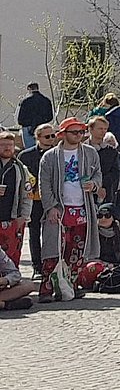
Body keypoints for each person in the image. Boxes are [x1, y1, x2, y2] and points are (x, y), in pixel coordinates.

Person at [37, 118, 103, 299]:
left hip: (82, 208)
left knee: (76, 251)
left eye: (81, 132)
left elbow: (98, 173)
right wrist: (50, 207)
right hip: (60, 209)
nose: (79, 136)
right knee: (53, 250)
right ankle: (47, 289)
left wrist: (94, 185)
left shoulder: (90, 153)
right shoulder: (50, 156)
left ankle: (72, 285)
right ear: (63, 134)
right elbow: (45, 184)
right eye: (74, 132)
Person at [19, 125, 54, 271]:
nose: (51, 139)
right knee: (34, 233)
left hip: (53, 199)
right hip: (34, 199)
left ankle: (51, 264)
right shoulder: (26, 156)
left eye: (53, 136)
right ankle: (37, 266)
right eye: (47, 136)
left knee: (52, 233)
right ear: (37, 137)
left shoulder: (58, 154)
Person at [0, 132, 31, 268]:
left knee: (12, 256)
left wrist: (23, 217)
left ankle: (11, 285)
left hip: (12, 219)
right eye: (3, 145)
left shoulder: (21, 169)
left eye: (10, 145)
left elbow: (27, 194)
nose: (7, 148)